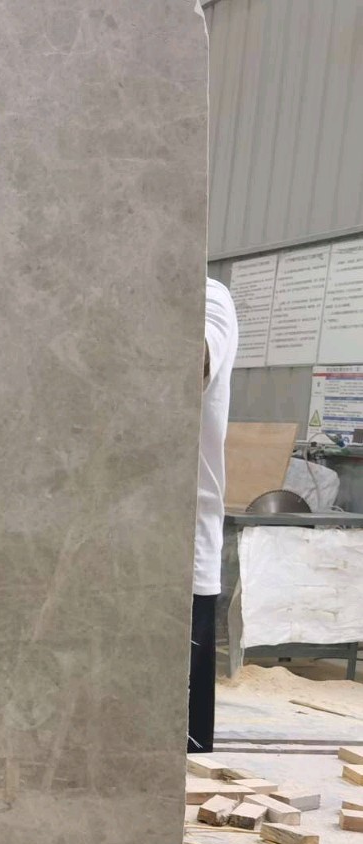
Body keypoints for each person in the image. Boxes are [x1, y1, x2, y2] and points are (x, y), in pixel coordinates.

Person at [192, 279, 238, 753]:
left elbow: (191, 361)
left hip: (183, 560)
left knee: (178, 753)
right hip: (112, 552)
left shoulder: (208, 297)